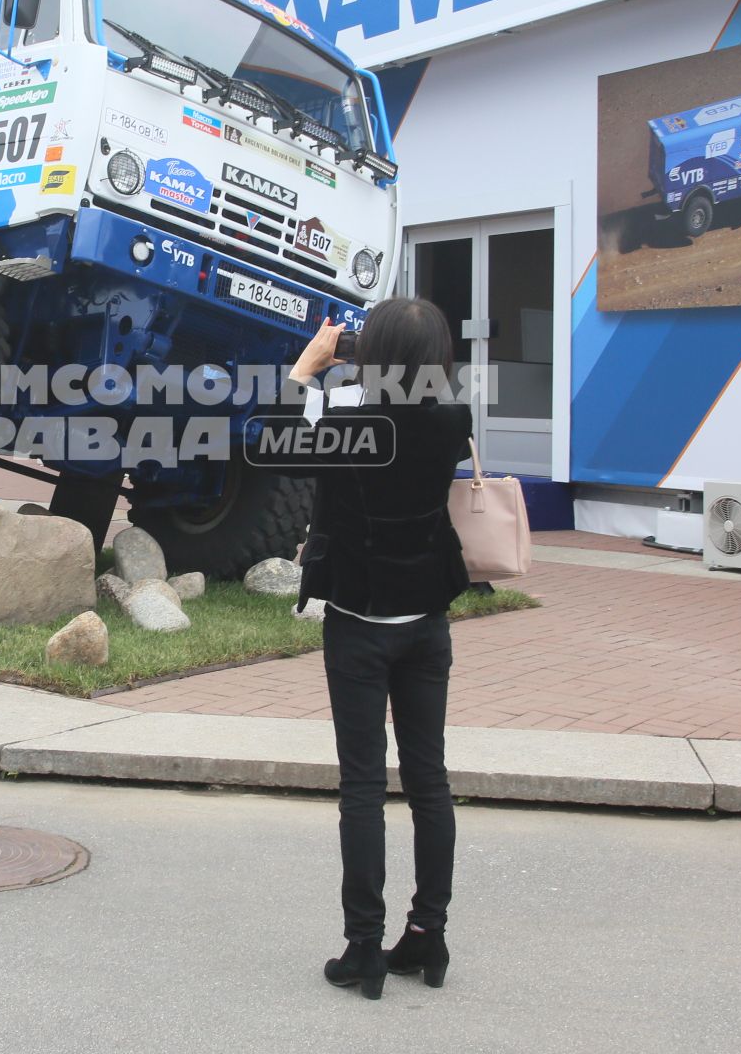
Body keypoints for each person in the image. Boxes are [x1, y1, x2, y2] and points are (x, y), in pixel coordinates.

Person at [283, 297, 472, 1000]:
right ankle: (429, 935)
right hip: (427, 622)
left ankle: (363, 949)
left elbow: (278, 447)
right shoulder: (455, 415)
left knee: (363, 787)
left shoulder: (346, 422)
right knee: (430, 780)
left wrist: (307, 368)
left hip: (360, 622)